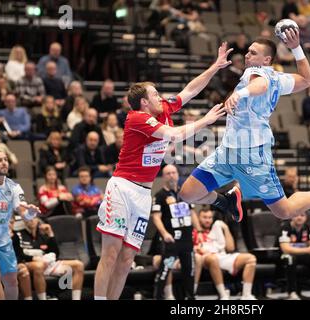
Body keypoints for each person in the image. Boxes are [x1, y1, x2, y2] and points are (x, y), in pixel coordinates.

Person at [93, 42, 232, 300]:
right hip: (122, 188)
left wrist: (215, 66)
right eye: (155, 94)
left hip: (143, 194)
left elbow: (190, 89)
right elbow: (176, 135)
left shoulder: (164, 109)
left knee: (126, 260)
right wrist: (206, 120)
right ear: (144, 102)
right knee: (111, 254)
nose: (161, 97)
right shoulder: (137, 118)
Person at [179, 30, 310, 225]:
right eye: (248, 51)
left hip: (253, 156)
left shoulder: (256, 73)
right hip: (227, 152)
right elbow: (306, 80)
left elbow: (260, 85)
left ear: (266, 59)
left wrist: (240, 93)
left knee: (284, 211)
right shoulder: (278, 78)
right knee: (188, 193)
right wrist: (296, 48)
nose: (247, 55)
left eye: (253, 53)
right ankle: (225, 201)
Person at [0, 150, 40, 300]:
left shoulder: (14, 187)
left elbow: (24, 213)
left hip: (4, 241)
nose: (4, 162)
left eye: (5, 159)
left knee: (12, 281)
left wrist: (31, 212)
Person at [152, 164, 200, 300]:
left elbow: (192, 213)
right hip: (172, 241)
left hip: (187, 241)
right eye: (168, 173)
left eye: (174, 172)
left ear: (178, 175)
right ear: (163, 177)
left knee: (189, 271)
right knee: (165, 270)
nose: (172, 175)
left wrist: (199, 231)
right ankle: (158, 297)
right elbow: (156, 217)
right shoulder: (160, 196)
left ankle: (191, 297)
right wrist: (164, 234)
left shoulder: (185, 193)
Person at [12, 216, 84, 300]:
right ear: (24, 220)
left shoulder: (43, 234)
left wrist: (50, 234)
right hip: (28, 263)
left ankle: (76, 298)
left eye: (33, 218)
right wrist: (33, 258)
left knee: (78, 265)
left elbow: (55, 253)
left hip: (46, 263)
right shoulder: (18, 234)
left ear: (37, 220)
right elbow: (18, 254)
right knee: (39, 265)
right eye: (28, 218)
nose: (30, 220)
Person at [193, 208, 257, 300]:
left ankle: (246, 295)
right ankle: (223, 295)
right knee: (213, 258)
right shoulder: (195, 232)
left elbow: (230, 248)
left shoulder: (216, 228)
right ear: (198, 218)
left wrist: (225, 228)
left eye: (210, 217)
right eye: (204, 217)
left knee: (251, 258)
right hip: (205, 258)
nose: (207, 220)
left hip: (222, 256)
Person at [278, 212, 310, 300]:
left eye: (302, 215)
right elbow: (286, 249)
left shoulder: (308, 227)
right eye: (296, 215)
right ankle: (292, 293)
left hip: (302, 255)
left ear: (306, 217)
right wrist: (308, 249)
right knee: (290, 258)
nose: (299, 217)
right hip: (284, 256)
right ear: (291, 217)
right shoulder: (285, 227)